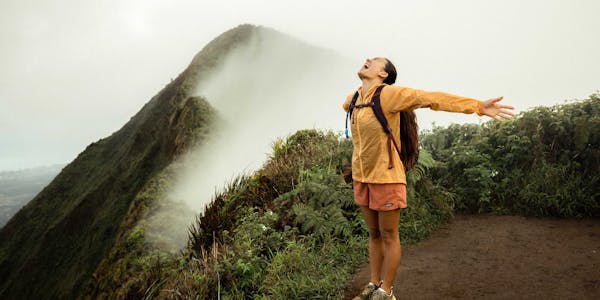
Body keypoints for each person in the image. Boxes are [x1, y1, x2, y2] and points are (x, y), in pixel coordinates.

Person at [343, 57, 515, 300]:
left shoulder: (390, 94)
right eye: (368, 58)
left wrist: (477, 106)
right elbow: (346, 110)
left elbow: (432, 98)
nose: (368, 60)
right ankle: (373, 282)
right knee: (373, 234)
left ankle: (386, 291)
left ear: (383, 75)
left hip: (387, 178)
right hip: (362, 178)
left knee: (389, 235)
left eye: (376, 60)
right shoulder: (354, 99)